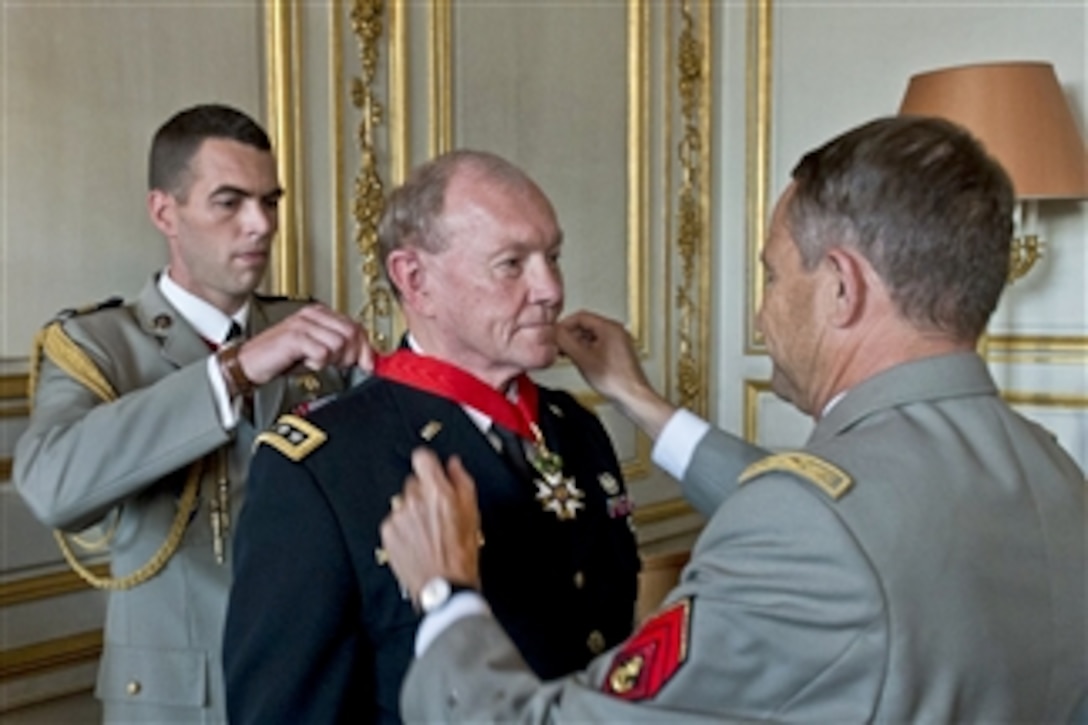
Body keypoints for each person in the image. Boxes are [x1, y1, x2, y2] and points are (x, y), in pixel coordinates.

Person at [380, 116, 1088, 722]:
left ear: (842, 287)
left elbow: (823, 527)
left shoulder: (814, 529)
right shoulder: (1050, 469)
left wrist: (445, 598)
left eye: (774, 276)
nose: (761, 313)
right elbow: (855, 518)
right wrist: (646, 404)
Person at [222, 149, 642, 723]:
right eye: (512, 264)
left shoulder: (577, 428)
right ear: (415, 280)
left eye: (553, 256)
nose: (550, 289)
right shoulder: (321, 467)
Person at [13, 103, 370, 724]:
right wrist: (234, 371)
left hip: (317, 683)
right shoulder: (99, 345)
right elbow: (52, 487)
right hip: (183, 701)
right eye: (229, 202)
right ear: (164, 212)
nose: (260, 225)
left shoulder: (305, 326)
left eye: (270, 201)